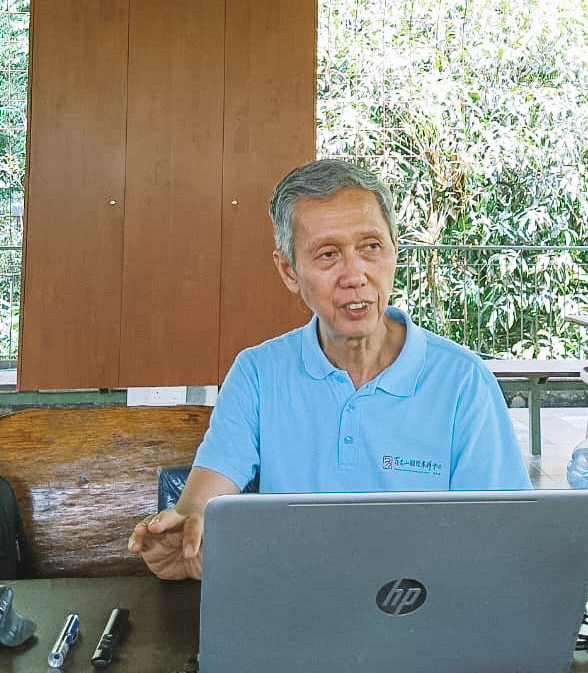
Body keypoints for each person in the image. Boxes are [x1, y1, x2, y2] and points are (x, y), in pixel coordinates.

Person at [129, 159, 531, 579]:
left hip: (420, 607)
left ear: (395, 250)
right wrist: (188, 534)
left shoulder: (463, 382)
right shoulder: (258, 374)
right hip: (294, 604)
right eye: (327, 255)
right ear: (289, 270)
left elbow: (501, 535)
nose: (355, 276)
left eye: (371, 247)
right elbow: (201, 501)